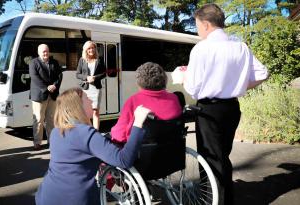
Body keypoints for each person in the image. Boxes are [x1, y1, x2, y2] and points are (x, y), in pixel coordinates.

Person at [182, 4, 269, 205]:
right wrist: (238, 86)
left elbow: (193, 89)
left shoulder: (201, 48)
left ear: (205, 24)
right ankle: (225, 199)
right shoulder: (240, 47)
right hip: (231, 108)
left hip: (209, 110)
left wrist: (183, 76)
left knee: (211, 159)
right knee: (222, 156)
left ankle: (215, 201)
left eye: (197, 25)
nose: (197, 30)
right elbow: (263, 73)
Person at [35, 87, 151, 205]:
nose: (91, 101)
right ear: (78, 106)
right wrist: (138, 123)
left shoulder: (56, 132)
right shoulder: (86, 133)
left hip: (47, 195)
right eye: (87, 98)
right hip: (76, 199)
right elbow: (124, 160)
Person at [110, 62, 182, 143]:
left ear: (139, 81)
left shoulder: (133, 101)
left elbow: (119, 136)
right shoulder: (174, 98)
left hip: (141, 152)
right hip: (172, 149)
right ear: (164, 79)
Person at [29, 44, 63, 150]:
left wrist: (55, 86)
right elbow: (34, 77)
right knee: (38, 119)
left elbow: (59, 75)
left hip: (52, 95)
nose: (45, 53)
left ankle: (51, 141)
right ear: (39, 53)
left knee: (51, 119)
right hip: (39, 95)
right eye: (43, 51)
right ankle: (37, 142)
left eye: (47, 51)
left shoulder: (54, 62)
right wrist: (46, 88)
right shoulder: (33, 63)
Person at [76, 41, 106, 130]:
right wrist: (86, 77)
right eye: (89, 48)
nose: (91, 50)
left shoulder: (99, 59)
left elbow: (104, 73)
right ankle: (88, 131)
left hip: (96, 89)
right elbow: (77, 74)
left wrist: (95, 78)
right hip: (86, 89)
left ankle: (96, 132)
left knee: (95, 112)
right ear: (85, 50)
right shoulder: (82, 60)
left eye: (92, 47)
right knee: (86, 112)